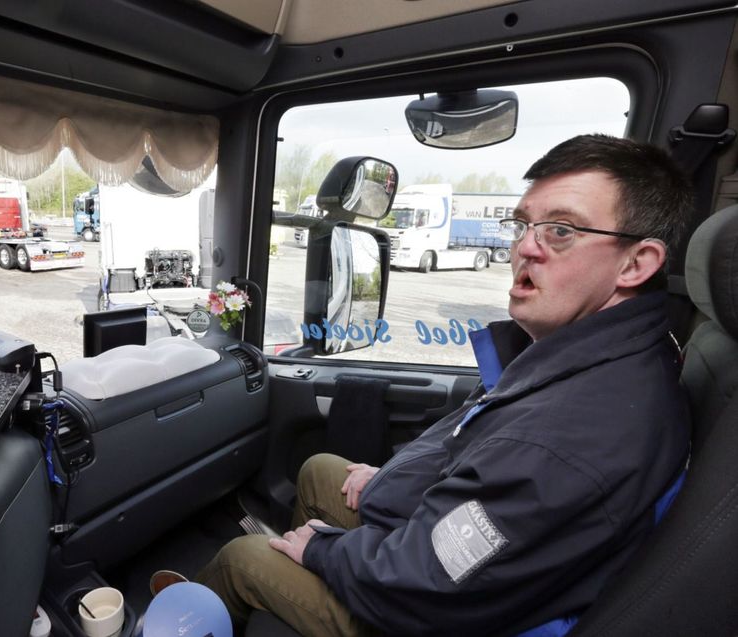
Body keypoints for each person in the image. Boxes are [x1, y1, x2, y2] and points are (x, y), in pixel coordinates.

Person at [194, 134, 694, 636]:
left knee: (244, 558)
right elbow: (475, 443)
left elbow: (433, 583)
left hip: (434, 611)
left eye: (560, 231)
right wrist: (390, 478)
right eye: (522, 225)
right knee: (323, 471)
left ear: (636, 263)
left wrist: (322, 550)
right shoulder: (582, 356)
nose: (522, 248)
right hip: (442, 567)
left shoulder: (567, 438)